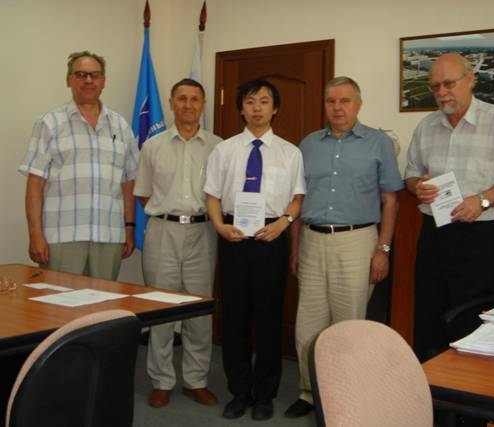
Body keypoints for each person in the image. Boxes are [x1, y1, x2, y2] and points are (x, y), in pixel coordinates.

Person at [405, 53, 494, 363]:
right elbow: (411, 174)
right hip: (434, 233)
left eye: (449, 83)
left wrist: (482, 200)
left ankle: (467, 390)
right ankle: (429, 385)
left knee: (470, 317)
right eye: (435, 86)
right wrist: (416, 187)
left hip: (481, 236)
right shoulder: (426, 126)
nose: (441, 92)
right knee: (428, 314)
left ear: (470, 80)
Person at [286, 76, 403, 418]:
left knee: (349, 325)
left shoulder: (378, 143)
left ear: (358, 104)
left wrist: (383, 249)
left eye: (345, 101)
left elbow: (391, 201)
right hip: (311, 239)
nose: (337, 108)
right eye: (331, 101)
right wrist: (294, 249)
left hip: (357, 241)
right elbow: (297, 200)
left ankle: (347, 395)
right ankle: (309, 392)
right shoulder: (308, 144)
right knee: (307, 325)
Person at [204, 79, 305, 421]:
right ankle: (239, 390)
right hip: (232, 236)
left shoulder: (290, 153)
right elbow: (212, 195)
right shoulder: (224, 150)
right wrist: (219, 226)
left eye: (264, 101)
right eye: (250, 101)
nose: (257, 108)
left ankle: (265, 393)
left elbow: (297, 197)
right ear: (241, 108)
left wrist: (283, 224)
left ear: (275, 109)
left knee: (268, 317)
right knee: (234, 317)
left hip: (271, 237)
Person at [133, 78, 221, 408]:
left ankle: (196, 380)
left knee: (199, 311)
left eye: (194, 99)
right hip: (162, 232)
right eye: (181, 98)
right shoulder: (152, 146)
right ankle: (161, 381)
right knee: (160, 310)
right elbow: (143, 193)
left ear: (203, 104)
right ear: (171, 104)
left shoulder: (218, 147)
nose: (188, 104)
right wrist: (169, 215)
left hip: (203, 232)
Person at [19, 51, 138, 280]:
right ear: (69, 80)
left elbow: (128, 183)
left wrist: (129, 229)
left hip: (109, 237)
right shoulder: (50, 123)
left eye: (95, 75)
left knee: (105, 301)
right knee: (60, 301)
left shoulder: (121, 126)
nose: (88, 80)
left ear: (104, 81)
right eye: (81, 74)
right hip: (62, 237)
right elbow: (35, 183)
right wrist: (35, 234)